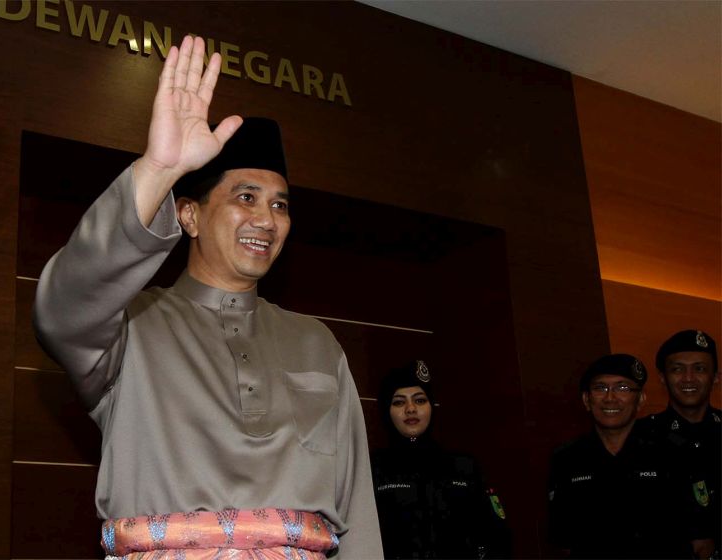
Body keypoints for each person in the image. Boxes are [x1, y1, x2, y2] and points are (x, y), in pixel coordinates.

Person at [33, 35, 383, 559]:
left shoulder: (317, 344)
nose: (267, 220)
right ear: (190, 215)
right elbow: (64, 306)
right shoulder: (130, 328)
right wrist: (160, 170)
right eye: (246, 197)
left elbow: (356, 512)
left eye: (280, 205)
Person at [547, 353, 713, 559]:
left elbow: (702, 542)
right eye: (600, 388)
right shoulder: (567, 459)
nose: (610, 398)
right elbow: (564, 542)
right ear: (586, 400)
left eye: (623, 388)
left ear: (641, 399)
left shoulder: (675, 452)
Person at [371, 360, 510, 559]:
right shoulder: (373, 468)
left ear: (431, 406)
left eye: (419, 400)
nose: (410, 409)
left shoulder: (463, 466)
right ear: (386, 410)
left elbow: (498, 539)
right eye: (399, 402)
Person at [644, 330, 720, 557]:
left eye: (699, 368)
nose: (688, 378)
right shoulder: (641, 437)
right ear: (662, 378)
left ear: (716, 377)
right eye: (677, 369)